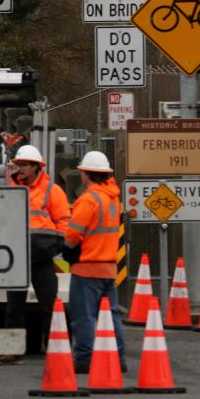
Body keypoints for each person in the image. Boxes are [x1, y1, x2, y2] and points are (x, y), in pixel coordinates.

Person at [0, 144, 70, 365]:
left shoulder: (52, 190)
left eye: (25, 165)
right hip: (16, 256)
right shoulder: (10, 189)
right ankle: (13, 350)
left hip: (42, 257)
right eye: (18, 164)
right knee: (13, 308)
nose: (21, 168)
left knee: (51, 305)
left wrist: (57, 246)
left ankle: (54, 348)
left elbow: (64, 220)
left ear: (37, 167)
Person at [63, 150, 126, 374]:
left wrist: (65, 249)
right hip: (109, 267)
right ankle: (119, 358)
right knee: (111, 316)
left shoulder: (88, 199)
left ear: (86, 175)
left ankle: (84, 359)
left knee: (84, 317)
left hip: (87, 267)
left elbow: (72, 236)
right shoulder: (113, 199)